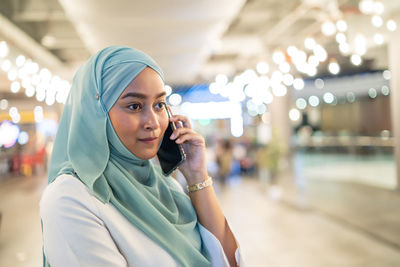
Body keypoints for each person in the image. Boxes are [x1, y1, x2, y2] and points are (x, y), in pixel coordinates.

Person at [40, 46, 243, 267]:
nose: (154, 122)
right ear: (96, 113)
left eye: (159, 105)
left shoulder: (165, 187)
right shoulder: (70, 198)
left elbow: (228, 261)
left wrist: (197, 176)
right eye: (134, 106)